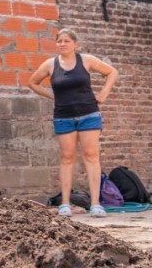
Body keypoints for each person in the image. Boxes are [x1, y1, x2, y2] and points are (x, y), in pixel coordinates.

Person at [28, 28, 118, 218]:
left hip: (89, 115)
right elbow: (32, 82)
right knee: (67, 158)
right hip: (63, 116)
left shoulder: (86, 60)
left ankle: (96, 204)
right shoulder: (50, 64)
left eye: (66, 41)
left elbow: (112, 73)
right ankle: (65, 205)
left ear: (75, 43)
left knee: (91, 156)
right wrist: (51, 95)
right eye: (59, 41)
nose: (62, 44)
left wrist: (103, 94)